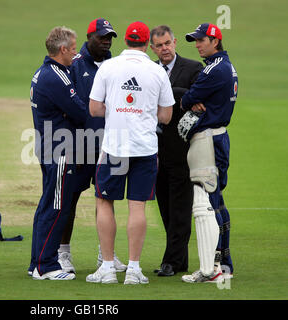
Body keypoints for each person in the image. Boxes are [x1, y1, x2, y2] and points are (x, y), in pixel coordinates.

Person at [87, 21, 174, 284]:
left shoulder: (108, 67)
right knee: (137, 207)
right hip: (145, 147)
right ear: (148, 43)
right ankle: (134, 270)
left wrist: (116, 111)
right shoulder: (157, 71)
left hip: (115, 145)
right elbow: (167, 116)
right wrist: (144, 114)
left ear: (125, 41)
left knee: (105, 202)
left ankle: (108, 268)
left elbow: (94, 108)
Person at [58, 18, 127, 274]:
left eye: (109, 37)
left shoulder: (115, 65)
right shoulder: (74, 65)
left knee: (106, 199)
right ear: (89, 37)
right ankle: (63, 253)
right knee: (70, 199)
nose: (106, 41)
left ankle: (105, 255)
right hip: (78, 145)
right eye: (101, 37)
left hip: (109, 145)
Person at [177, 23, 238, 283]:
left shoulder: (213, 69)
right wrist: (190, 97)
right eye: (195, 41)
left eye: (202, 40)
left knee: (208, 205)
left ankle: (212, 268)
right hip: (218, 137)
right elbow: (193, 96)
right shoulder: (226, 66)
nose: (198, 44)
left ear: (215, 40)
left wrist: (186, 99)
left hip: (208, 140)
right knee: (217, 202)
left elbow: (189, 98)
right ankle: (224, 264)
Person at [28, 26, 87, 280]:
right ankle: (47, 265)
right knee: (56, 206)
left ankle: (37, 262)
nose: (76, 54)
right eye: (73, 49)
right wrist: (70, 114)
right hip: (60, 150)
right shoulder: (57, 77)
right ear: (62, 49)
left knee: (47, 205)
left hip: (47, 146)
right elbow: (82, 113)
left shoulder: (42, 73)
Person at [149, 25, 203, 277]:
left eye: (168, 43)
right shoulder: (148, 70)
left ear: (175, 42)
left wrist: (171, 94)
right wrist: (182, 96)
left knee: (180, 208)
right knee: (165, 207)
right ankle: (179, 260)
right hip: (154, 152)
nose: (165, 49)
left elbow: (198, 101)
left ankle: (171, 261)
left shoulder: (193, 68)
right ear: (152, 48)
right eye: (159, 45)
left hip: (183, 150)